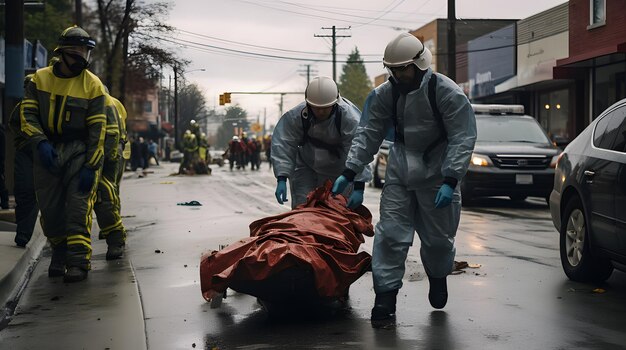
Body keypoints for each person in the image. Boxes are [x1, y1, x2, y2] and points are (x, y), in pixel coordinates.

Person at [331, 33, 477, 326]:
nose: (398, 75)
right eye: (393, 70)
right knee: (390, 236)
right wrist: (350, 170)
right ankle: (385, 299)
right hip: (399, 172)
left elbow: (462, 137)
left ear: (419, 65)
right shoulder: (385, 94)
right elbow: (368, 133)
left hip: (438, 174)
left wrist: (450, 178)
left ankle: (437, 276)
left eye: (403, 69)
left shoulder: (446, 93)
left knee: (438, 241)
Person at [19, 25, 107, 282]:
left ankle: (78, 263)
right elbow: (28, 114)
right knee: (50, 209)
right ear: (64, 52)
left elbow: (98, 130)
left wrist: (91, 166)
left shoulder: (93, 86)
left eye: (86, 52)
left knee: (78, 208)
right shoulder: (39, 79)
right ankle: (59, 252)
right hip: (47, 150)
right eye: (78, 51)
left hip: (79, 151)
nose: (83, 57)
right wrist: (39, 141)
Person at [271, 76, 371, 209]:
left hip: (340, 171)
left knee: (338, 212)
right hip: (305, 167)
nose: (321, 111)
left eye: (325, 108)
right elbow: (283, 145)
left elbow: (359, 149)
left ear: (335, 103)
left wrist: (359, 186)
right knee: (303, 209)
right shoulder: (295, 117)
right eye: (316, 108)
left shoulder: (350, 118)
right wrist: (281, 178)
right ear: (308, 104)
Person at [93, 93, 128, 260]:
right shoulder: (117, 104)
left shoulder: (105, 103)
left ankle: (113, 233)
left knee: (106, 193)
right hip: (113, 152)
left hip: (109, 153)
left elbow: (114, 132)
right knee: (112, 191)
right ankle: (111, 231)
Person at [10, 74, 39, 247]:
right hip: (25, 153)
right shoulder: (20, 107)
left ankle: (24, 231)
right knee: (23, 190)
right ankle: (22, 231)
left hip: (41, 153)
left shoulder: (43, 107)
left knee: (33, 193)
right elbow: (13, 125)